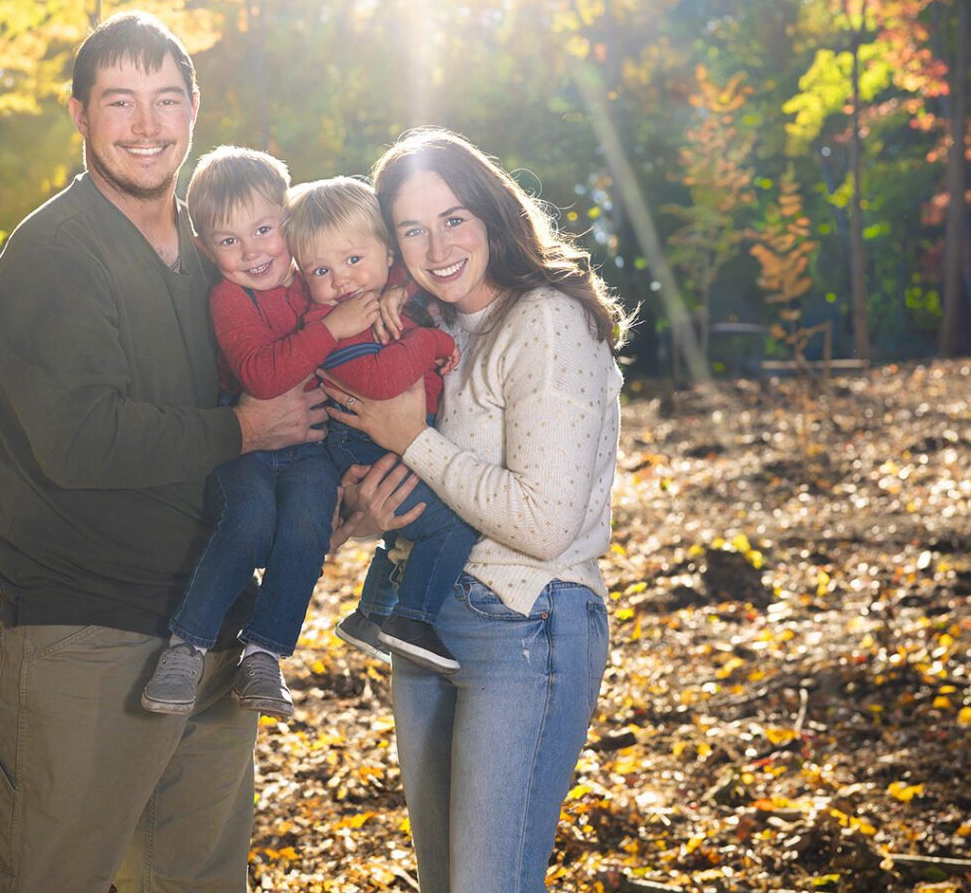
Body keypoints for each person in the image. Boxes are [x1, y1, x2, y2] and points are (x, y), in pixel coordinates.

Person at [0, 11, 327, 893]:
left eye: (166, 99)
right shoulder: (54, 255)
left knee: (201, 880)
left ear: (194, 109)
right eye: (119, 100)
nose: (145, 124)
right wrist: (249, 429)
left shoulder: (220, 257)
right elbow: (81, 439)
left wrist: (333, 500)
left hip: (209, 635)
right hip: (87, 631)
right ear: (79, 114)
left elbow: (278, 396)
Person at [320, 129, 634, 893]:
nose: (436, 245)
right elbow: (421, 486)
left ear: (493, 215)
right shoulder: (434, 325)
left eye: (453, 218)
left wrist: (411, 440)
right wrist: (364, 511)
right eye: (412, 230)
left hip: (526, 626)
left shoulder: (546, 323)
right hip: (424, 626)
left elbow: (544, 522)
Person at [141, 147, 383, 720]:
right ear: (205, 247)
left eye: (265, 230)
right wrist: (330, 330)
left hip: (314, 444)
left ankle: (265, 653)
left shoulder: (314, 280)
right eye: (229, 241)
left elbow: (369, 271)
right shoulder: (230, 300)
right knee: (249, 521)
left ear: (288, 221)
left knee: (304, 529)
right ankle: (187, 646)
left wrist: (388, 297)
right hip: (248, 441)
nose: (253, 252)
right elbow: (263, 376)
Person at [285, 177, 474, 675]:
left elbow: (411, 276)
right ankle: (411, 620)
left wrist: (397, 290)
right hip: (364, 448)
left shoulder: (385, 295)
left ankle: (370, 615)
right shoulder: (330, 324)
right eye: (321, 270)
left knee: (401, 535)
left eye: (353, 260)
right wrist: (430, 343)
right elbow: (382, 379)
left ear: (388, 254)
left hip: (388, 443)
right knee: (449, 524)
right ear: (303, 277)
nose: (342, 280)